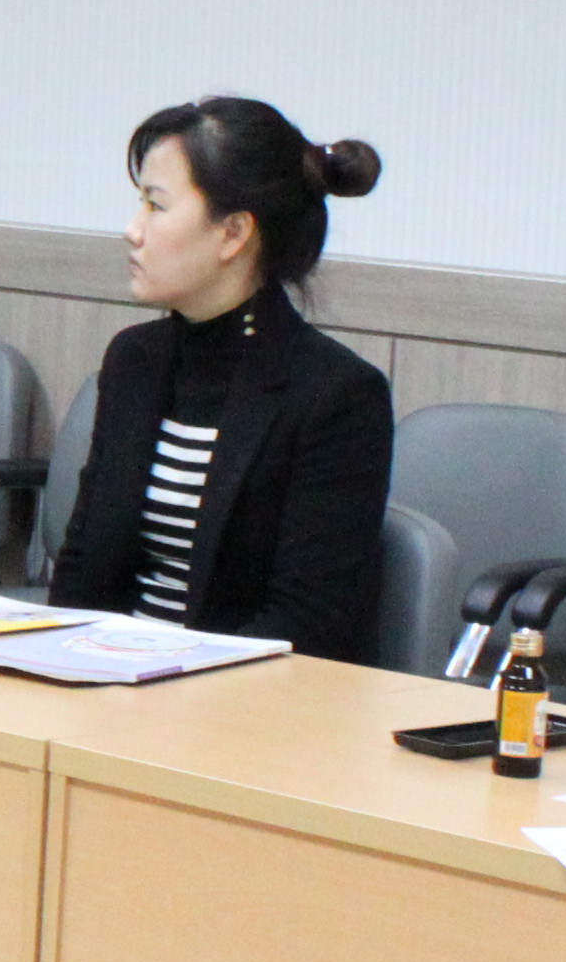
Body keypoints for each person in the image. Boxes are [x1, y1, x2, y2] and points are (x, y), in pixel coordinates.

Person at [45, 98, 393, 661]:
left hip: (239, 693)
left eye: (156, 206)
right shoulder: (135, 360)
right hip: (110, 676)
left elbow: (308, 622)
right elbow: (84, 565)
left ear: (232, 233)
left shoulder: (337, 394)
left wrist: (162, 679)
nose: (132, 231)